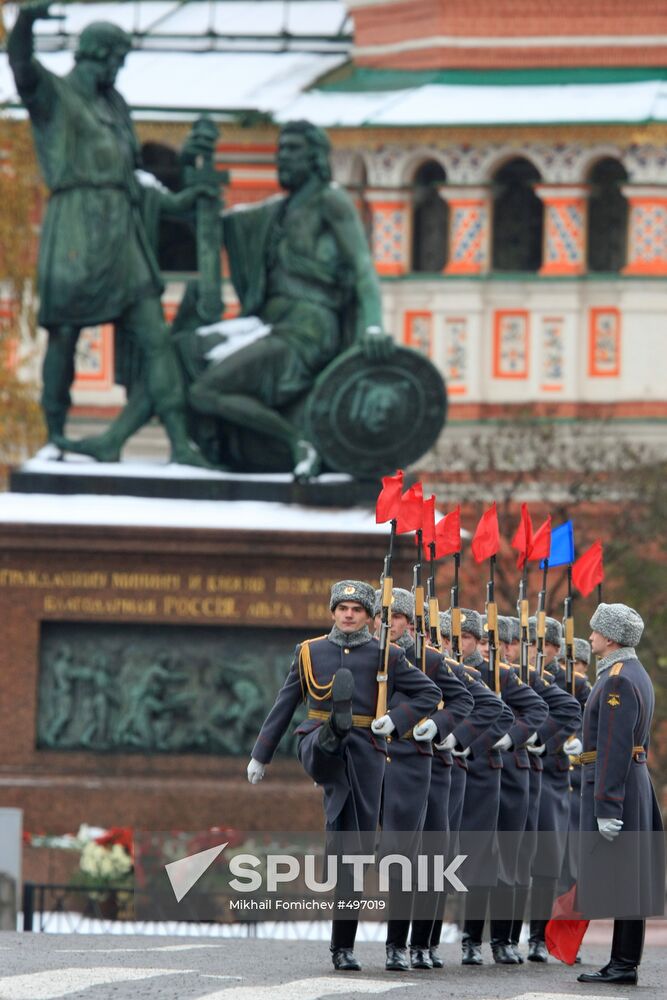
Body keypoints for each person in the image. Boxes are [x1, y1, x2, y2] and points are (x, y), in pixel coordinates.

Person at [8, 4, 212, 465]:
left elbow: (136, 178)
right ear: (98, 54)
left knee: (154, 335)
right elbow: (19, 63)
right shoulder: (52, 95)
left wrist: (184, 189)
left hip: (122, 231)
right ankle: (56, 434)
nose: (120, 68)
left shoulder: (115, 105)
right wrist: (26, 20)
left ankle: (180, 442)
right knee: (64, 332)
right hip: (76, 227)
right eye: (118, 58)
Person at [247, 580, 440, 972]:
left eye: (356, 608)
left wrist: (394, 720)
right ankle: (336, 726)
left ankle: (342, 948)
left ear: (369, 616)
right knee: (326, 742)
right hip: (316, 740)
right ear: (333, 612)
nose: (348, 614)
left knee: (353, 852)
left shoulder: (386, 654)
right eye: (342, 608)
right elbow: (286, 704)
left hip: (367, 753)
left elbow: (429, 694)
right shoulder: (309, 651)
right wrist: (260, 755)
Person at [185, 120, 395, 478]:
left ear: (315, 157)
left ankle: (298, 440)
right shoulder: (277, 212)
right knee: (183, 348)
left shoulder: (331, 201)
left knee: (205, 391)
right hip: (268, 323)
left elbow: (363, 266)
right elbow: (219, 227)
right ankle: (200, 449)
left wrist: (374, 325)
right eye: (280, 149)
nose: (282, 157)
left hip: (307, 330)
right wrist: (193, 177)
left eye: (293, 150)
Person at [372, 589, 473, 971]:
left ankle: (408, 944)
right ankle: (346, 944)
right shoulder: (368, 655)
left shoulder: (429, 659)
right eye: (384, 618)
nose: (389, 625)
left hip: (419, 766)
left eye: (396, 618)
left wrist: (439, 726)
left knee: (423, 858)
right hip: (373, 764)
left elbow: (465, 700)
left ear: (409, 624)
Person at [576, 603, 664, 986]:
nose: (591, 635)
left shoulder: (616, 679)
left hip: (620, 786)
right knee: (631, 877)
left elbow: (613, 744)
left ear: (610, 637)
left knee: (626, 878)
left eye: (596, 630)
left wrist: (607, 804)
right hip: (633, 782)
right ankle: (622, 962)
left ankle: (623, 964)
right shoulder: (634, 673)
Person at [526, 616, 589, 962]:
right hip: (525, 772)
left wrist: (551, 744)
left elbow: (579, 723)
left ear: (553, 648)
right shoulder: (521, 675)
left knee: (559, 864)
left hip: (558, 778)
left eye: (542, 646)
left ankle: (544, 936)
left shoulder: (573, 684)